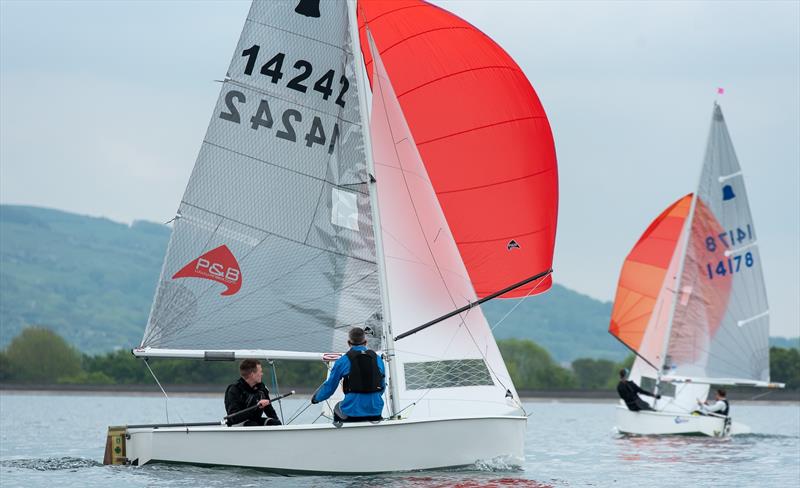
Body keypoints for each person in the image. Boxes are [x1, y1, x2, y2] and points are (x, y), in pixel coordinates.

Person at [311, 327, 385, 423]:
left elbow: (330, 387)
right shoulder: (378, 359)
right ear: (365, 342)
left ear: (349, 343)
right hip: (376, 412)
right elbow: (382, 387)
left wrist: (316, 398)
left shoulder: (343, 361)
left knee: (338, 407)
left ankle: (342, 435)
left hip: (352, 413)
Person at [224, 359, 282, 426]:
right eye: (260, 372)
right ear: (252, 374)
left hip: (255, 421)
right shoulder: (234, 390)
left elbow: (270, 411)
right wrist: (256, 406)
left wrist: (279, 426)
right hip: (237, 423)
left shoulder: (262, 389)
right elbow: (233, 418)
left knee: (275, 423)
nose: (262, 374)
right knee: (252, 424)